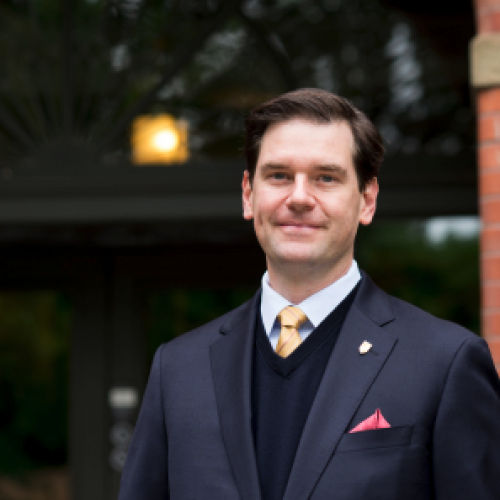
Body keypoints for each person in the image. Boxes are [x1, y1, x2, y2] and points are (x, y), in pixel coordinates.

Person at [118, 89, 500, 500]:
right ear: (249, 194)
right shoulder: (177, 369)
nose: (299, 197)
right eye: (279, 175)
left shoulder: (445, 363)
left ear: (367, 200)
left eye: (326, 178)